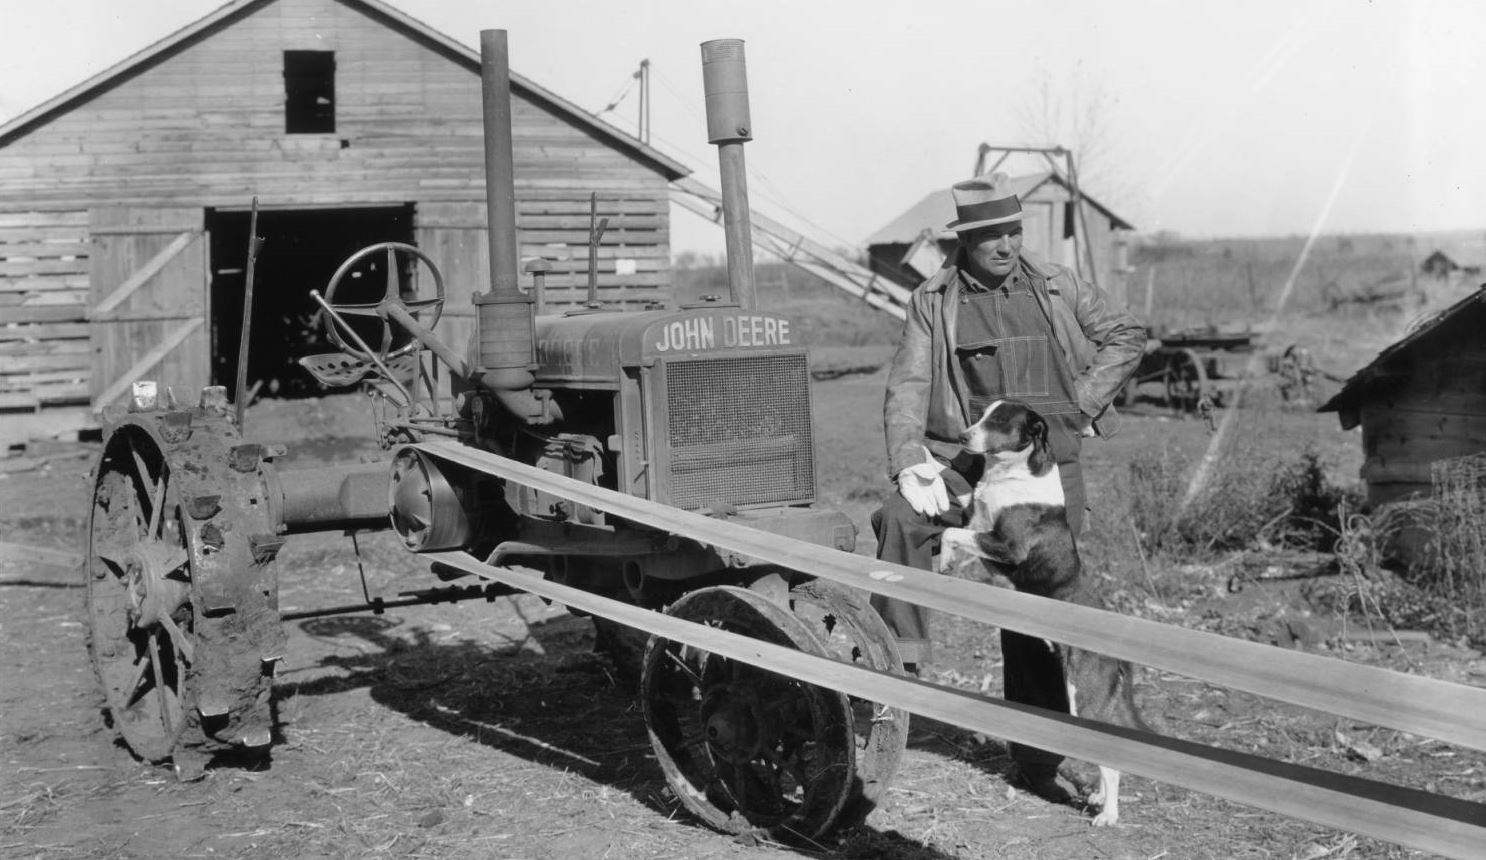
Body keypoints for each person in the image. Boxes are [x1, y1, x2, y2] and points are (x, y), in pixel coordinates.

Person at [871, 172, 1146, 801]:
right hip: (972, 455)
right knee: (899, 518)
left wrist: (1083, 401)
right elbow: (910, 385)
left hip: (1050, 465)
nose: (1006, 244)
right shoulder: (934, 300)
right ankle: (898, 662)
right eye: (991, 235)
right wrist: (909, 457)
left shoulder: (1057, 283)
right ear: (964, 241)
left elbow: (1126, 334)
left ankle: (1039, 761)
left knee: (1033, 606)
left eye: (1014, 231)